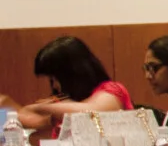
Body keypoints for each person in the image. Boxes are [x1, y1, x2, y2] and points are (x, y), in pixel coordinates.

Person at [1, 36, 133, 130]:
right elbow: (33, 123)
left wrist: (39, 107)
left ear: (72, 73)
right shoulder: (68, 106)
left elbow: (91, 112)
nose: (55, 86)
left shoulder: (112, 90)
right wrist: (12, 113)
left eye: (55, 78)